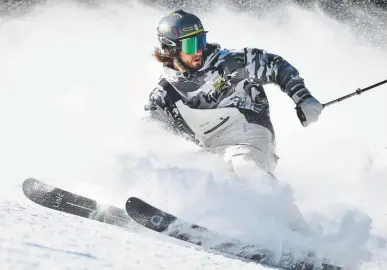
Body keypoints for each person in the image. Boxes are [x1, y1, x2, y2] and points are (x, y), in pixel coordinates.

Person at [144, 9, 324, 176]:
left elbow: (275, 65)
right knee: (193, 176)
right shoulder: (165, 94)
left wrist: (303, 97)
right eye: (191, 45)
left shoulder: (229, 63)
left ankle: (270, 205)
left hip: (250, 136)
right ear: (171, 50)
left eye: (201, 41)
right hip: (209, 152)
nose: (199, 50)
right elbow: (148, 131)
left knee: (245, 171)